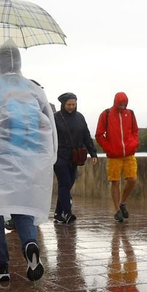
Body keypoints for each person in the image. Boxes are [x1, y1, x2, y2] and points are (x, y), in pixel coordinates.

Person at [0, 42, 56, 283]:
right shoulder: (35, 89)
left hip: (1, 158)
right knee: (23, 205)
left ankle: (1, 267)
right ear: (19, 63)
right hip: (31, 158)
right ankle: (30, 243)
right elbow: (48, 123)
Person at [52, 92, 98, 224]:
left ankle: (58, 213)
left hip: (74, 157)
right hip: (59, 156)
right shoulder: (55, 118)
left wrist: (93, 153)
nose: (72, 107)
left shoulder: (80, 117)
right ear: (63, 104)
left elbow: (86, 135)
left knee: (70, 182)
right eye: (69, 104)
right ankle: (67, 212)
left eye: (74, 104)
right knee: (64, 182)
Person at [96, 91, 140, 222]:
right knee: (115, 181)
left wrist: (134, 143)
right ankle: (117, 210)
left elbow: (135, 131)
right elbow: (99, 135)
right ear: (115, 103)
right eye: (120, 104)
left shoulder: (130, 114)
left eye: (124, 105)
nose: (122, 107)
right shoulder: (106, 114)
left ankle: (122, 202)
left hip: (129, 154)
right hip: (114, 155)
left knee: (132, 179)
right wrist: (109, 148)